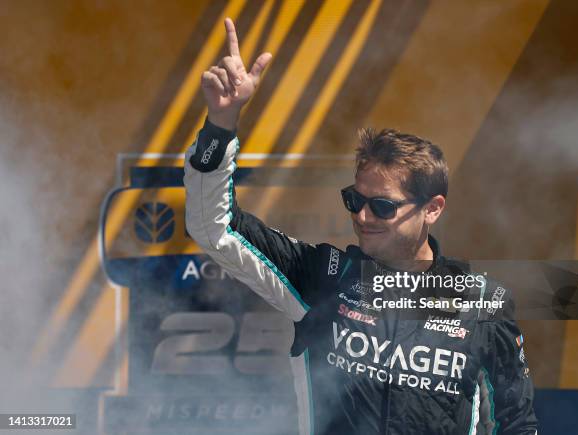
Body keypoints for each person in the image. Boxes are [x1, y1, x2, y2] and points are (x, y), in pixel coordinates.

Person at [184, 18, 537, 435]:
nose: (362, 217)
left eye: (383, 207)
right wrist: (220, 126)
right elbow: (214, 227)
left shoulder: (482, 303)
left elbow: (516, 424)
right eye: (355, 200)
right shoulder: (323, 276)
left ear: (433, 208)